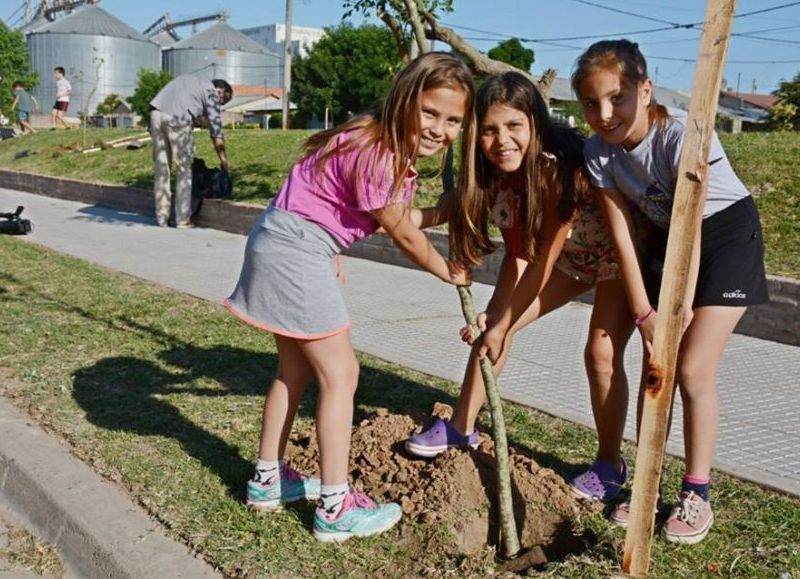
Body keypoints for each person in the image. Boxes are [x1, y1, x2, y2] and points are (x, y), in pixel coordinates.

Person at [224, 52, 474, 542]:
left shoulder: (369, 139)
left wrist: (442, 212)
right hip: (298, 252)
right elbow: (401, 231)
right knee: (342, 375)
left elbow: (365, 211)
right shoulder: (380, 151)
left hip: (282, 239)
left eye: (453, 121)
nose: (438, 129)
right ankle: (336, 507)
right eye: (429, 112)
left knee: (293, 371)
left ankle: (268, 480)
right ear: (405, 98)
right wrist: (446, 270)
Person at [404, 71, 635, 504]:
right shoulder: (495, 175)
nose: (501, 140)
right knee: (495, 328)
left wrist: (502, 319)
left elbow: (541, 260)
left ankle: (609, 464)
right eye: (489, 130)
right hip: (567, 261)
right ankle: (461, 427)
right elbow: (512, 248)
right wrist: (497, 316)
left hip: (614, 259)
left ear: (535, 124)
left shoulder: (556, 169)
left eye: (514, 127)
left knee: (600, 354)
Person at [571, 39, 768, 544]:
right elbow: (620, 232)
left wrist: (675, 311)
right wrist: (644, 313)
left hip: (722, 233)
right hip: (666, 237)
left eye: (617, 98)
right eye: (591, 103)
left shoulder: (680, 135)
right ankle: (646, 482)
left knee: (692, 367)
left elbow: (693, 226)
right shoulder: (597, 151)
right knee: (655, 366)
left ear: (645, 88)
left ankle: (697, 492)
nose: (605, 114)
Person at [149, 75, 233, 228]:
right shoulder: (211, 91)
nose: (219, 105)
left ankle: (161, 218)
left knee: (162, 169)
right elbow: (216, 131)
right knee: (184, 169)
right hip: (177, 119)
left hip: (155, 114)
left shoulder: (191, 81)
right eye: (222, 102)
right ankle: (182, 219)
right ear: (221, 90)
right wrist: (223, 160)